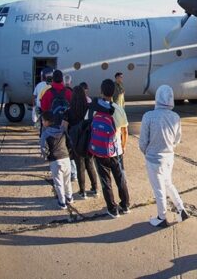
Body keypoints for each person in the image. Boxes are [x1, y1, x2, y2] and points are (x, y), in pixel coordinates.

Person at [139, 85, 189, 227]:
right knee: (168, 183)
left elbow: (143, 141)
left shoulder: (148, 116)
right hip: (169, 157)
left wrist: (146, 152)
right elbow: (177, 139)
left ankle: (162, 217)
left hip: (154, 159)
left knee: (159, 189)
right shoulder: (175, 117)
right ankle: (181, 209)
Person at [89, 79, 130, 218]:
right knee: (120, 178)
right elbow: (124, 131)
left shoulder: (95, 109)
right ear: (114, 92)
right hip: (116, 150)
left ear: (101, 91)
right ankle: (125, 205)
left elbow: (89, 126)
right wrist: (123, 146)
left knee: (106, 181)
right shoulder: (118, 109)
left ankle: (112, 209)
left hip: (100, 151)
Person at [62, 86, 99, 199]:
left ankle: (82, 192)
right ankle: (95, 188)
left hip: (76, 142)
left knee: (80, 166)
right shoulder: (89, 108)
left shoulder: (69, 111)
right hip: (88, 140)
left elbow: (64, 127)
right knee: (90, 164)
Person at [40, 111, 73, 210]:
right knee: (67, 181)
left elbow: (43, 148)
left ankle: (62, 202)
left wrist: (46, 157)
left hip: (55, 160)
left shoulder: (45, 134)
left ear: (46, 122)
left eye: (42, 121)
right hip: (66, 158)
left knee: (58, 183)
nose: (42, 122)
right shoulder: (62, 130)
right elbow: (69, 142)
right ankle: (70, 197)